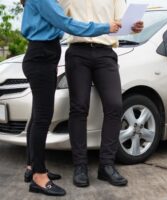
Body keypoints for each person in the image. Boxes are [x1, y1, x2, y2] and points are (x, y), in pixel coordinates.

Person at [21, 0, 121, 196]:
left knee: (37, 116)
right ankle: (39, 177)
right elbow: (66, 23)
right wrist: (105, 27)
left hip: (43, 54)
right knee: (42, 118)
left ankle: (32, 166)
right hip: (41, 56)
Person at [60, 0, 144, 187]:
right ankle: (80, 166)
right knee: (79, 107)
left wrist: (134, 27)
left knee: (115, 105)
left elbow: (121, 23)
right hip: (78, 52)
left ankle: (106, 166)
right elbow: (60, 17)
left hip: (105, 53)